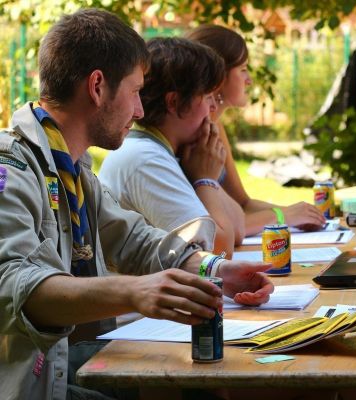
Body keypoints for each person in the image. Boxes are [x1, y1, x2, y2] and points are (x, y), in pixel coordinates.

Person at [0, 9, 273, 400]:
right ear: (97, 87)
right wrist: (134, 292)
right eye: (134, 92)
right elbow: (13, 287)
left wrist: (217, 270)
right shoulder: (11, 167)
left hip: (60, 367)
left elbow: (136, 240)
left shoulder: (71, 169)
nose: (141, 111)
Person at [99, 37, 245, 257]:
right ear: (174, 102)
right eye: (207, 97)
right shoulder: (146, 159)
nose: (214, 107)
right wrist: (205, 181)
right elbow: (221, 249)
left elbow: (237, 228)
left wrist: (207, 177)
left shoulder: (167, 152)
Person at [186, 25, 326, 236]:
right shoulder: (190, 136)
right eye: (243, 69)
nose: (249, 80)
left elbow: (243, 203)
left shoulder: (215, 126)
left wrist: (300, 212)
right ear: (218, 76)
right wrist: (284, 216)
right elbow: (220, 228)